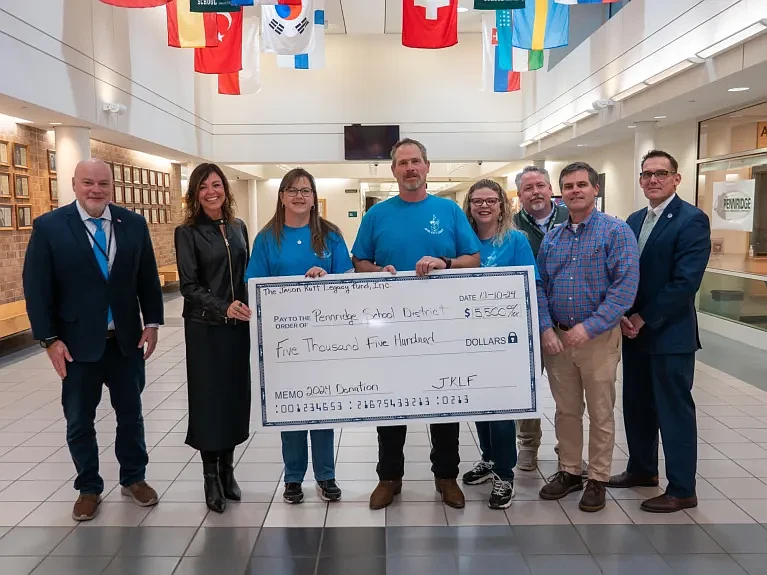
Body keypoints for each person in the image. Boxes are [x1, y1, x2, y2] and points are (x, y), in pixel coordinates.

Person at [22, 158, 163, 521]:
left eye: (103, 183)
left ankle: (134, 478)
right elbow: (37, 289)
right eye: (88, 183)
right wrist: (49, 339)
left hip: (126, 341)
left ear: (112, 186)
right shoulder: (51, 227)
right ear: (74, 184)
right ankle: (88, 486)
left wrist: (153, 323)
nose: (96, 190)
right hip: (76, 344)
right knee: (79, 420)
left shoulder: (131, 224)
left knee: (131, 415)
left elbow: (147, 277)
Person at [352, 138, 481, 510]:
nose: (409, 168)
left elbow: (473, 257)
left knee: (444, 402)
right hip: (389, 328)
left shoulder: (449, 211)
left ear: (427, 166)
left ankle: (446, 477)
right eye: (402, 163)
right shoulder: (377, 215)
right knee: (391, 403)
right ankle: (389, 477)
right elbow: (360, 261)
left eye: (415, 162)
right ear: (393, 170)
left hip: (443, 329)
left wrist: (446, 263)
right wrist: (379, 271)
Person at [608, 150, 711, 513]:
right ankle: (642, 469)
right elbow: (624, 274)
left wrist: (643, 318)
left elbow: (685, 283)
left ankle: (682, 488)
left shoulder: (691, 219)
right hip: (634, 333)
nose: (653, 180)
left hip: (669, 336)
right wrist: (622, 313)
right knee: (637, 406)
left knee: (674, 412)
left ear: (676, 179)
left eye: (661, 173)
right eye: (647, 174)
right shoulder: (634, 220)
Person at [536, 162, 639, 513]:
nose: (575, 190)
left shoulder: (616, 232)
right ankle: (569, 471)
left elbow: (624, 289)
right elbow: (540, 285)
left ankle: (597, 478)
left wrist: (590, 327)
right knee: (565, 410)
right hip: (558, 339)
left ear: (595, 189)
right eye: (568, 186)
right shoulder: (553, 236)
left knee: (600, 411)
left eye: (582, 184)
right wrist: (547, 327)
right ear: (560, 193)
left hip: (598, 338)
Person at [246, 168, 351, 505]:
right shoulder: (267, 238)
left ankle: (326, 475)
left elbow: (348, 281)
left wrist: (326, 276)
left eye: (306, 190)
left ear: (313, 197)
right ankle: (293, 477)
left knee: (321, 406)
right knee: (291, 408)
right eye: (292, 190)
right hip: (283, 341)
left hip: (325, 338)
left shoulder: (330, 235)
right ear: (281, 196)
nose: (299, 196)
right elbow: (254, 286)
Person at [174, 163, 252, 514]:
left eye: (217, 184)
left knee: (235, 397)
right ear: (194, 193)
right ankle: (210, 476)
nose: (211, 191)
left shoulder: (238, 228)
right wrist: (224, 307)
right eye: (203, 186)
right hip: (205, 327)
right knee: (209, 400)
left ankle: (227, 468)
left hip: (237, 328)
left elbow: (248, 274)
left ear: (225, 189)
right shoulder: (187, 232)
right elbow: (189, 286)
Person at [460, 179, 538, 510]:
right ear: (469, 207)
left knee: (501, 405)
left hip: (505, 339)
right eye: (477, 201)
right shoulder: (460, 243)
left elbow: (530, 284)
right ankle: (490, 459)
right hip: (466, 336)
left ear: (502, 206)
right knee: (479, 402)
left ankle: (505, 475)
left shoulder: (516, 240)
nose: (484, 206)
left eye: (491, 200)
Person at [512, 166, 569, 472]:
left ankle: (567, 448)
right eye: (528, 188)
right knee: (527, 387)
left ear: (550, 190)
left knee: (566, 390)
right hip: (523, 321)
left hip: (562, 321)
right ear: (519, 196)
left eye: (540, 186)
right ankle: (528, 445)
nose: (535, 192)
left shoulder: (570, 219)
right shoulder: (510, 228)